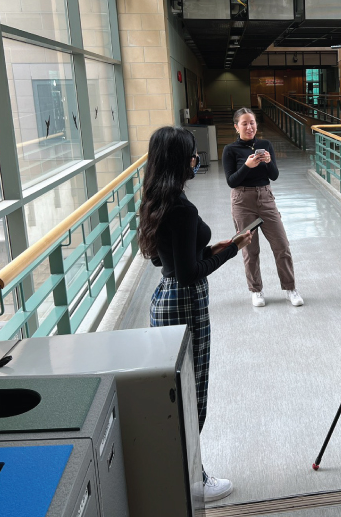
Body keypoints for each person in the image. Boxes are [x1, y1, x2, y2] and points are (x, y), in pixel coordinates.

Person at [138, 126, 253, 503]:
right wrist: (230, 251)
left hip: (164, 300)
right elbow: (189, 275)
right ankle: (194, 479)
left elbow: (164, 260)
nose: (196, 158)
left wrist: (211, 249)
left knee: (175, 391)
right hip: (186, 305)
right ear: (179, 161)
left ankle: (182, 473)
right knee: (192, 396)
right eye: (191, 153)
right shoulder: (183, 209)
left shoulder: (156, 201)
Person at [222, 108, 304, 307]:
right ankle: (256, 290)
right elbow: (231, 181)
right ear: (236, 127)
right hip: (243, 201)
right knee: (250, 250)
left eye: (252, 123)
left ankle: (290, 288)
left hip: (266, 198)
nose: (250, 127)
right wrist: (247, 166)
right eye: (244, 123)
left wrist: (267, 162)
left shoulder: (265, 145)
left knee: (282, 245)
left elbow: (274, 175)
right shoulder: (230, 150)